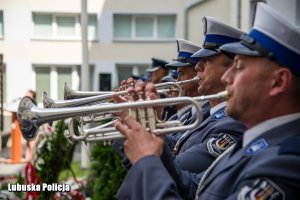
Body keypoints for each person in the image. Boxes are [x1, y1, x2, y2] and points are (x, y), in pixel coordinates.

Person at [115, 3, 300, 199]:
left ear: (279, 81)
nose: (226, 77)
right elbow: (194, 189)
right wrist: (154, 143)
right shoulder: (257, 140)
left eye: (239, 66)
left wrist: (147, 161)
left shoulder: (287, 162)